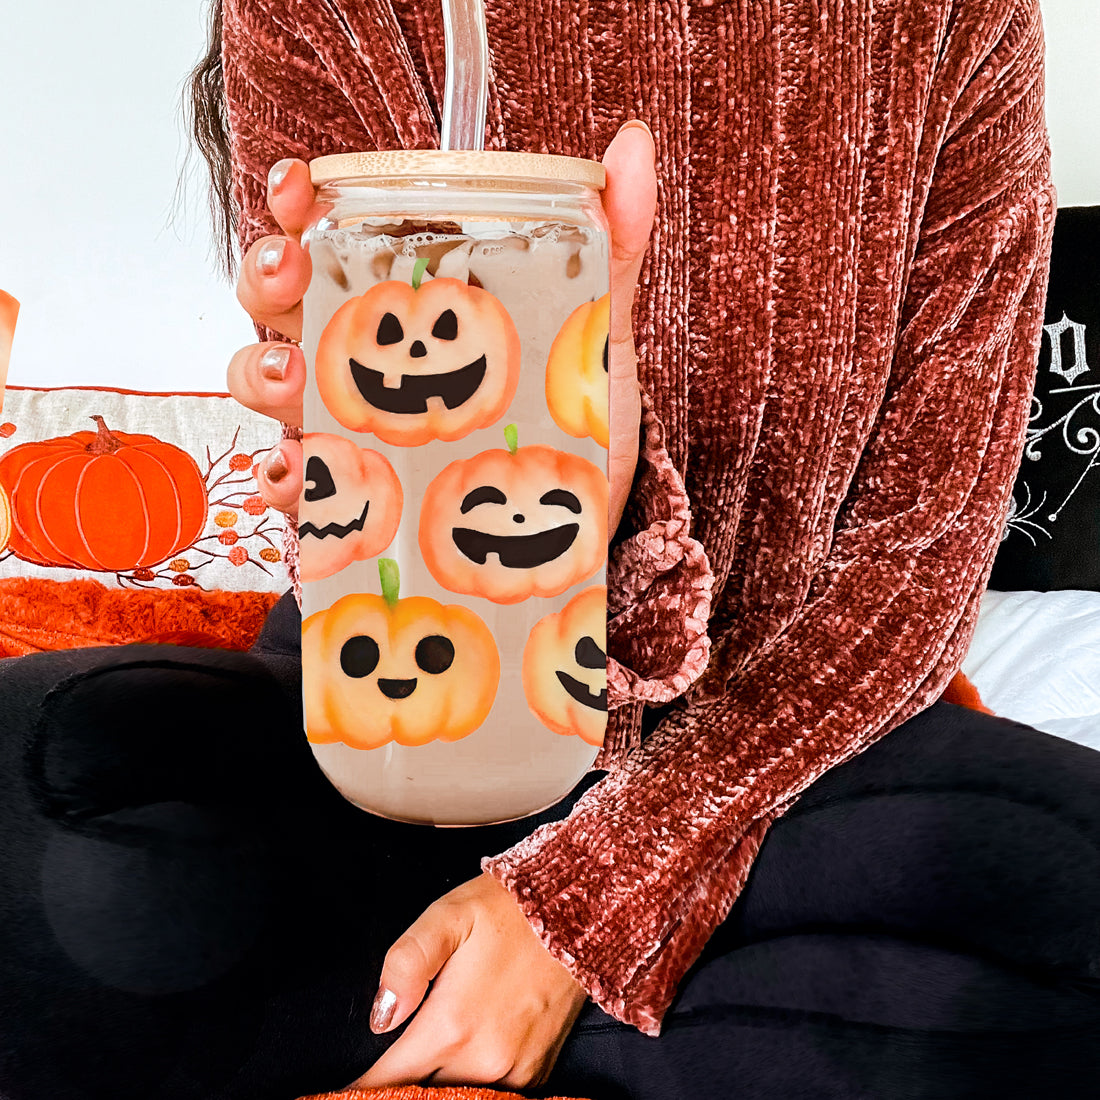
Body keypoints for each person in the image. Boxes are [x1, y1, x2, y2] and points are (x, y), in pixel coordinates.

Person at [0, 0, 1098, 1097]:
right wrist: (583, 511)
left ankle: (444, 1007)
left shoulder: (956, 19)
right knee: (44, 784)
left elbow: (920, 549)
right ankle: (558, 1006)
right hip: (413, 673)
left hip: (787, 733)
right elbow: (379, 438)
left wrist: (582, 900)